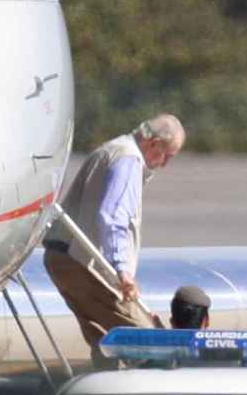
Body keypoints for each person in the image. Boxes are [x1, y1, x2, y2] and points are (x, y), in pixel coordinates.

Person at [43, 114, 185, 366]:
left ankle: (105, 382)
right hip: (82, 262)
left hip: (61, 257)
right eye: (167, 156)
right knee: (149, 340)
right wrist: (123, 271)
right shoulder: (129, 160)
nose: (164, 165)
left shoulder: (112, 149)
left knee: (105, 341)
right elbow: (113, 217)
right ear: (154, 144)